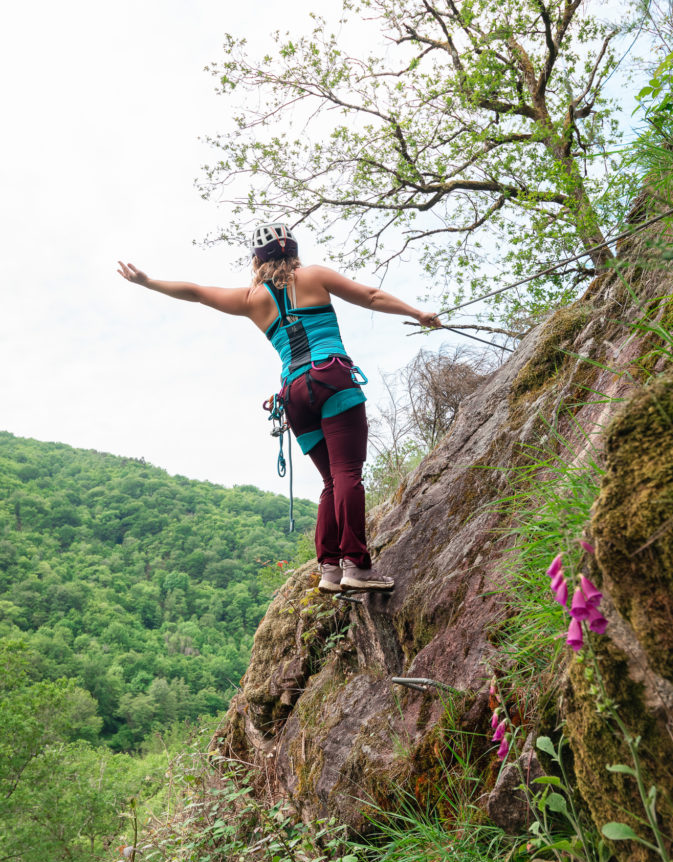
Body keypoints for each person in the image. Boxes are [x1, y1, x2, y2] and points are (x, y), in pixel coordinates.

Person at [117, 223, 440, 594]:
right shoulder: (314, 276)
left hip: (294, 396)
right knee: (347, 473)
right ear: (293, 250)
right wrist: (417, 313)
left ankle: (330, 571)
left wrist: (147, 282)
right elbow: (370, 295)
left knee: (330, 482)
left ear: (257, 259)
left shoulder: (251, 298)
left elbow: (196, 293)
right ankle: (357, 566)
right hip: (332, 378)